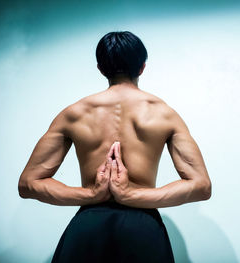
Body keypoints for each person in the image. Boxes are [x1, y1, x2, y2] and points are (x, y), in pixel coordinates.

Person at [18, 31, 212, 263]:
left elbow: (28, 184)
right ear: (142, 67)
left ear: (100, 68)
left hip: (88, 227)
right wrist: (133, 194)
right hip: (143, 229)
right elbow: (201, 186)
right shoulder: (164, 114)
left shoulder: (74, 113)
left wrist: (90, 194)